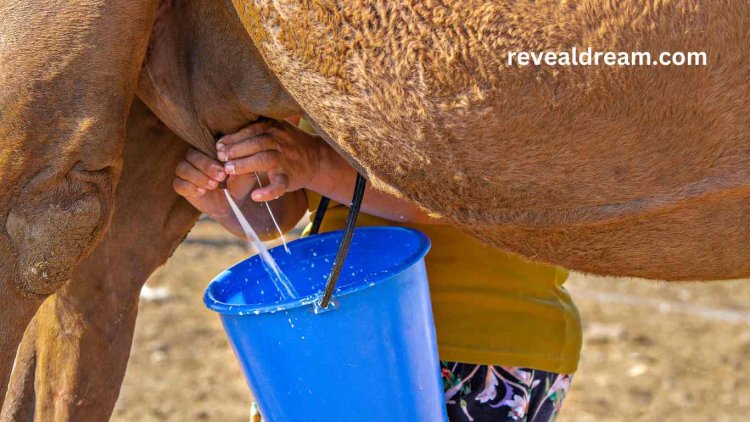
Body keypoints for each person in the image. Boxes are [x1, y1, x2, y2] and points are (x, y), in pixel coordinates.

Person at [173, 117, 581, 421]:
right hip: (325, 340)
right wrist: (234, 202)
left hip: (475, 342)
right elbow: (291, 205)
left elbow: (480, 191)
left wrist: (315, 161)